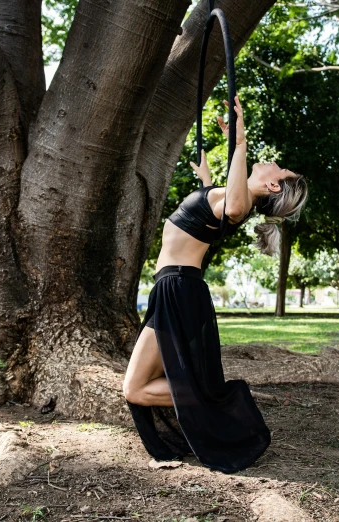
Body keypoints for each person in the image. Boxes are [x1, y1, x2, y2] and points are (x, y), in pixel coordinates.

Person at [122, 94, 308, 473]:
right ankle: (213, 401)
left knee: (135, 388)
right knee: (140, 385)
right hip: (174, 289)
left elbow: (234, 204)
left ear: (273, 187)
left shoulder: (240, 204)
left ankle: (219, 403)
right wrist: (207, 178)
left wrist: (240, 144)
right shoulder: (230, 196)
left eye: (280, 168)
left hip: (178, 288)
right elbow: (220, 199)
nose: (273, 162)